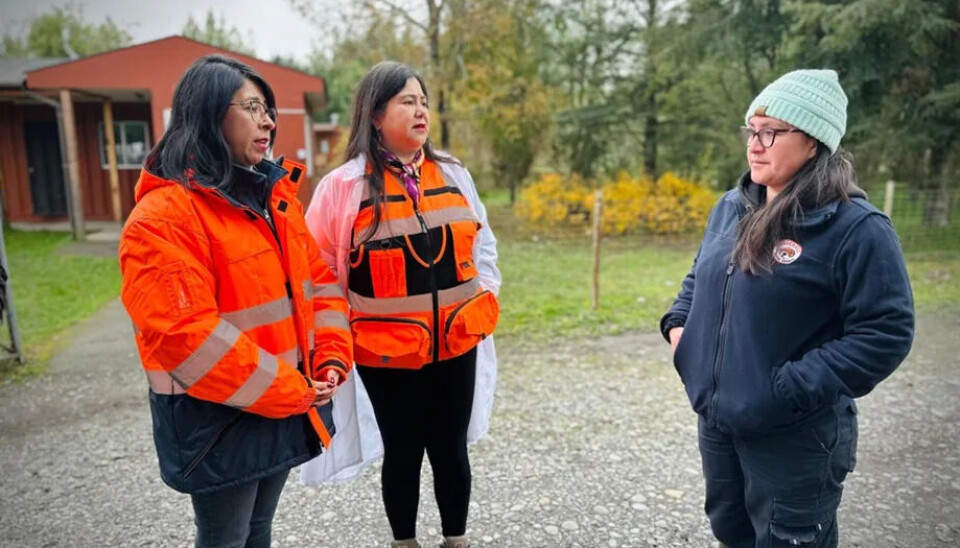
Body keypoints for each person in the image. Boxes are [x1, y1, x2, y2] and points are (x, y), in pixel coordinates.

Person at [660, 69, 914, 548]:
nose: (755, 144)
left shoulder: (856, 229)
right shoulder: (731, 207)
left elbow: (885, 332)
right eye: (751, 131)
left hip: (794, 436)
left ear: (813, 142)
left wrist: (787, 388)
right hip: (718, 424)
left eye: (771, 132)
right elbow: (700, 277)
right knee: (731, 532)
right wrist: (680, 331)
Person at [118, 55, 353, 548]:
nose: (268, 120)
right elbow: (185, 337)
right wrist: (293, 390)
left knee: (258, 529)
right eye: (252, 107)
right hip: (219, 420)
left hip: (285, 402)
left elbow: (320, 284)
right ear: (207, 114)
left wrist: (331, 356)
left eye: (269, 109)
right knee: (224, 537)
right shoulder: (163, 216)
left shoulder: (274, 201)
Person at [301, 61, 501, 548]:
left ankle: (457, 540)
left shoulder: (453, 173)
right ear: (374, 114)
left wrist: (486, 296)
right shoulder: (342, 188)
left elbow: (483, 247)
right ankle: (404, 542)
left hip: (456, 343)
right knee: (404, 451)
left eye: (424, 102)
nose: (420, 111)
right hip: (386, 353)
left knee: (452, 450)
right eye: (407, 101)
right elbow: (315, 270)